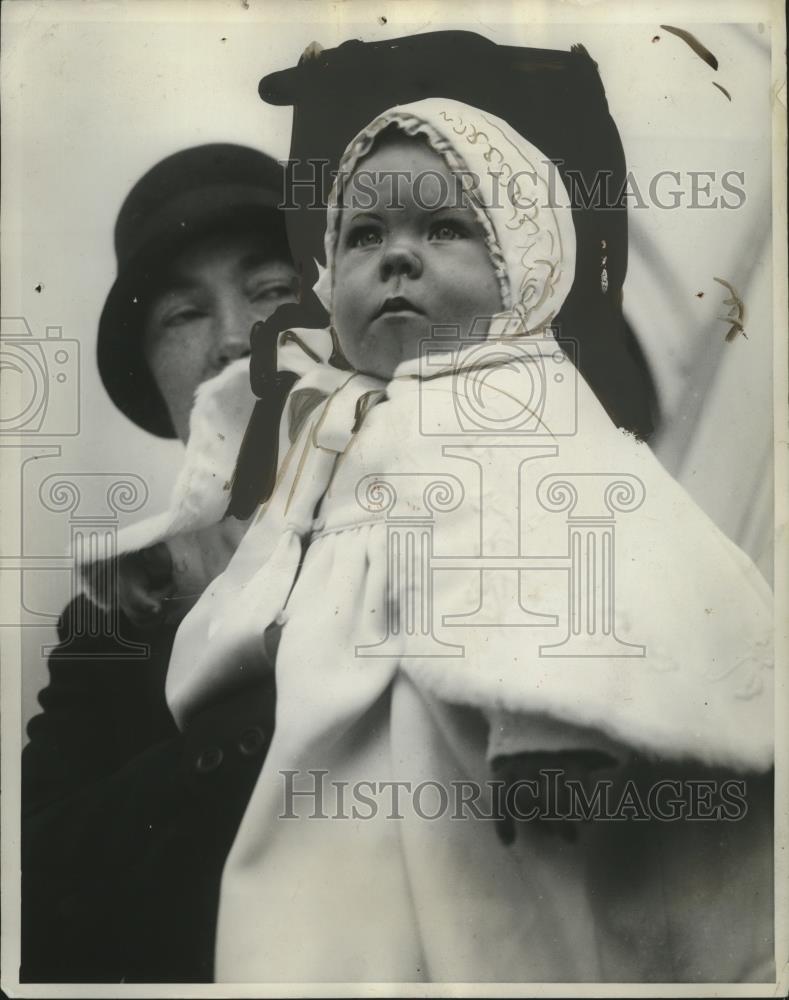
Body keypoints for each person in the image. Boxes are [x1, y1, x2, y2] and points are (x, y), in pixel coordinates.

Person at [166, 100, 774, 982]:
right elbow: (271, 535)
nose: (397, 255)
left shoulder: (525, 397)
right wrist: (226, 640)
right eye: (364, 234)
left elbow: (581, 538)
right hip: (336, 719)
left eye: (445, 227)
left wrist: (544, 712)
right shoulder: (339, 411)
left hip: (483, 731)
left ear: (523, 269)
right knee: (325, 910)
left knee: (493, 921)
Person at [21, 143, 299, 982]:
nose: (236, 341)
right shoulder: (120, 610)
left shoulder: (471, 511)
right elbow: (42, 881)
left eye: (273, 293)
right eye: (183, 316)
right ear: (155, 378)